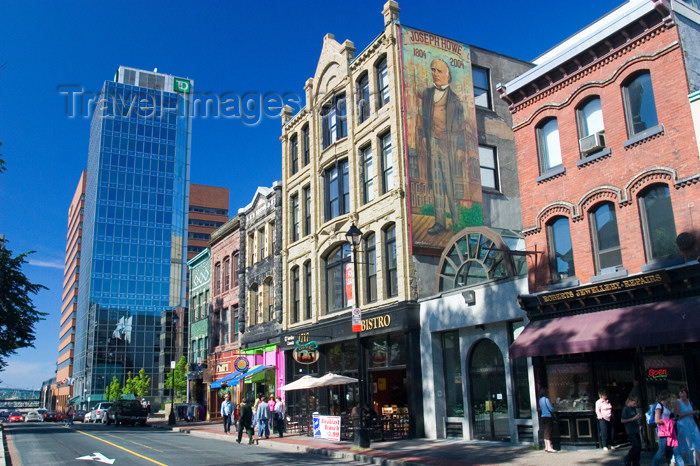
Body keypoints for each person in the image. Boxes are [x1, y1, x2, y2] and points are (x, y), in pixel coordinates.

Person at [420, 57, 466, 235]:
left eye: (439, 71)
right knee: (437, 183)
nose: (435, 74)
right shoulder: (427, 94)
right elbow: (425, 118)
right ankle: (439, 222)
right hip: (433, 142)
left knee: (450, 183)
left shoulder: (455, 100)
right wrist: (425, 137)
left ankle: (456, 222)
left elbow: (461, 126)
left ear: (448, 76)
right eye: (433, 70)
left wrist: (461, 148)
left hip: (449, 144)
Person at [652, 390, 685, 466]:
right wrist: (669, 422)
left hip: (670, 430)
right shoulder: (659, 406)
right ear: (667, 397)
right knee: (661, 451)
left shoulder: (665, 407)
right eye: (669, 397)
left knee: (676, 450)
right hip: (663, 430)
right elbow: (657, 420)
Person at [675, 386, 700, 465]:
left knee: (697, 444)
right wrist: (690, 413)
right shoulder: (678, 402)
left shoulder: (690, 401)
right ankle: (678, 462)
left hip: (692, 425)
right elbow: (677, 416)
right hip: (684, 426)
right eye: (680, 393)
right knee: (687, 446)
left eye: (683, 393)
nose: (682, 395)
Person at [621, 396, 642, 466]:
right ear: (630, 401)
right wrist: (633, 419)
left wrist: (638, 418)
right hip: (630, 430)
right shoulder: (626, 409)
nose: (635, 405)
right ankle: (628, 458)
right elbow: (622, 420)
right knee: (636, 446)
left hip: (635, 429)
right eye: (634, 403)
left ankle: (636, 461)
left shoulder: (633, 409)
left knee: (639, 446)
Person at [539, 388, 558, 453]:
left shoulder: (540, 400)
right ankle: (550, 447)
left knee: (545, 431)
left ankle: (546, 446)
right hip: (548, 416)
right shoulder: (546, 399)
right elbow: (550, 408)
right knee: (549, 431)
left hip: (542, 416)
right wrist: (554, 408)